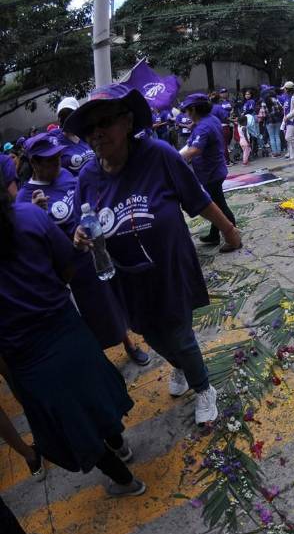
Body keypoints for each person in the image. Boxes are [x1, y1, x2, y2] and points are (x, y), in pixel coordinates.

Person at [65, 83, 241, 425]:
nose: (97, 133)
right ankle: (179, 365)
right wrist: (79, 234)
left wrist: (231, 232)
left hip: (168, 268)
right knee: (150, 333)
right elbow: (79, 219)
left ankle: (203, 387)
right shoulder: (88, 174)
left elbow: (199, 198)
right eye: (90, 128)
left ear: (128, 122)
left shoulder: (158, 155)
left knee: (178, 334)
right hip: (124, 277)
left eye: (105, 122)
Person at [0, 184, 146, 497]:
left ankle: (124, 480)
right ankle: (120, 447)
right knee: (93, 393)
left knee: (71, 423)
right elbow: (67, 263)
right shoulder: (29, 216)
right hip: (64, 326)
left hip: (26, 355)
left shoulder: (27, 215)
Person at [16, 132, 149, 364]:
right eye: (48, 160)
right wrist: (34, 212)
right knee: (95, 311)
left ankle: (128, 342)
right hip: (72, 266)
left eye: (57, 156)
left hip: (97, 249)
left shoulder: (66, 174)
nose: (57, 163)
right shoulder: (25, 199)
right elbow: (27, 243)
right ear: (34, 163)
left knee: (115, 298)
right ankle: (105, 355)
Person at [178, 94, 238, 251]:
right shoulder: (210, 119)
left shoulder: (204, 126)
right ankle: (214, 234)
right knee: (217, 202)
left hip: (211, 172)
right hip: (214, 169)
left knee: (218, 206)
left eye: (187, 109)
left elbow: (195, 150)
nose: (186, 113)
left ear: (194, 109)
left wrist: (175, 158)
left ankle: (233, 238)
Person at [55, 97, 95, 176]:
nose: (67, 119)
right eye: (63, 115)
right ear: (59, 119)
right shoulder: (56, 143)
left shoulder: (85, 136)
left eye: (70, 114)